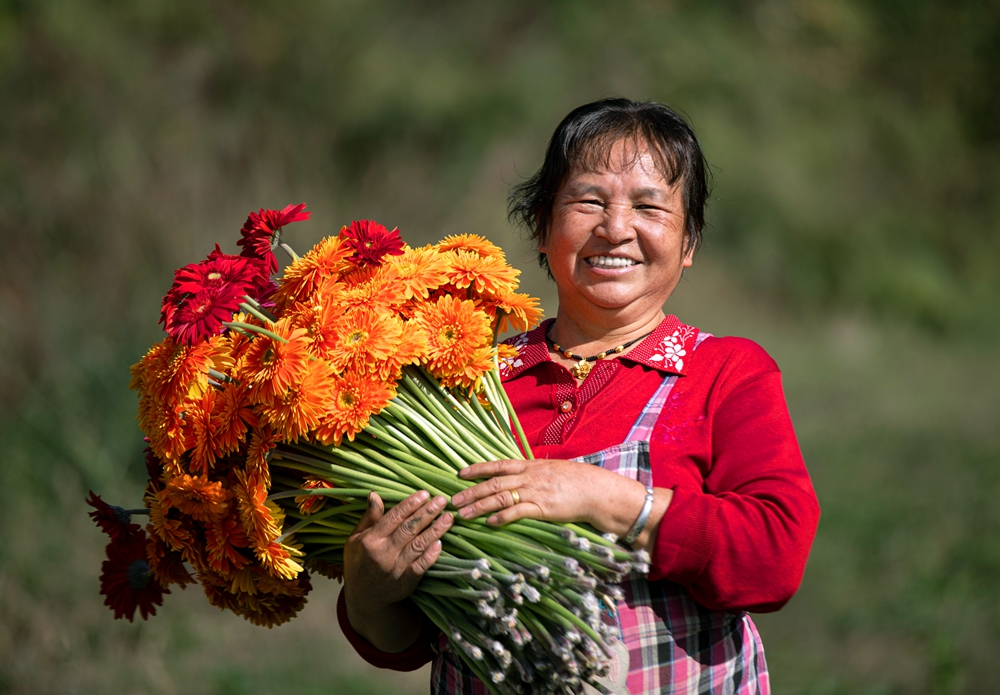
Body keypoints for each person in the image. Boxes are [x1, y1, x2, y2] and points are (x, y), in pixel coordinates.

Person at [336, 98, 821, 694]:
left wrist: (605, 499)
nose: (616, 228)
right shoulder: (468, 382)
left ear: (689, 241)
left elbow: (773, 557)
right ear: (542, 227)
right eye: (589, 200)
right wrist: (368, 594)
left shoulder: (724, 372)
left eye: (649, 206)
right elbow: (408, 640)